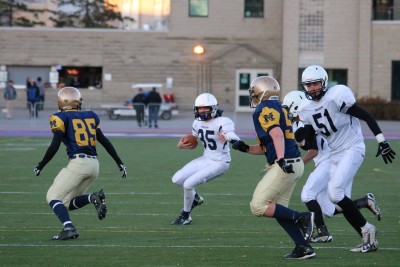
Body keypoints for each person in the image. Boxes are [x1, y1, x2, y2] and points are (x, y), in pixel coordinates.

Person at [297, 65, 396, 252]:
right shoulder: (306, 108)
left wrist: (382, 141)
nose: (312, 88)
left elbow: (366, 115)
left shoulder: (336, 96)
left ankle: (369, 231)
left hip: (353, 148)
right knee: (337, 201)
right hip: (335, 154)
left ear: (324, 82)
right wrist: (299, 137)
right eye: (308, 85)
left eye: (315, 83)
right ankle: (367, 235)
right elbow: (310, 142)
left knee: (335, 193)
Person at [230, 76, 315, 260]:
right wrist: (245, 148)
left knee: (258, 206)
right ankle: (303, 247)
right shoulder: (279, 108)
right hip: (294, 163)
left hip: (285, 164)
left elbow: (277, 135)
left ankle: (302, 217)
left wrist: (281, 159)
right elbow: (265, 147)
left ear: (262, 92)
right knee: (279, 211)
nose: (252, 95)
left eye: (254, 92)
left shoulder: (264, 108)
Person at [282, 90, 382, 243]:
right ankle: (364, 202)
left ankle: (323, 232)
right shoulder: (298, 123)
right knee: (329, 209)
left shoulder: (306, 119)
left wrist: (298, 163)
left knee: (308, 194)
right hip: (324, 161)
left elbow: (314, 150)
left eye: (288, 108)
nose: (286, 112)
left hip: (329, 160)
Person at [33, 87, 128, 240]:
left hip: (79, 163)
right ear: (76, 101)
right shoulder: (91, 115)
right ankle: (93, 198)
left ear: (62, 102)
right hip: (94, 166)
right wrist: (119, 162)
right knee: (66, 202)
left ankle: (69, 227)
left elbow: (55, 145)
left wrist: (41, 164)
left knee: (52, 196)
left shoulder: (60, 117)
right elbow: (104, 141)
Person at [171, 93, 241, 225]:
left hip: (220, 162)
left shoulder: (222, 121)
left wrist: (232, 139)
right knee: (177, 179)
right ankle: (195, 199)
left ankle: (185, 216)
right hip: (206, 158)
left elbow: (230, 133)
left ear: (213, 108)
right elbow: (193, 142)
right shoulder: (197, 122)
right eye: (199, 108)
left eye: (206, 108)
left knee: (188, 184)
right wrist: (181, 145)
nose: (202, 111)